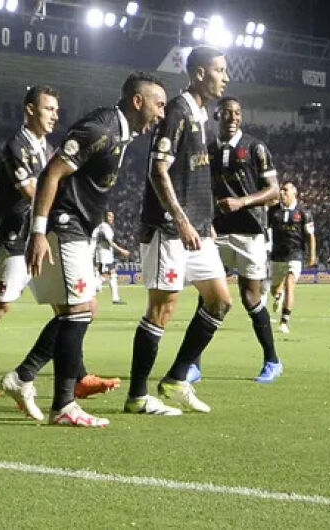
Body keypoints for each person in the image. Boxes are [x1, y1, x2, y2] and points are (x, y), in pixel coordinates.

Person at [21, 72, 166, 427]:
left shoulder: (121, 133)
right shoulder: (100, 129)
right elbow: (50, 175)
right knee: (78, 309)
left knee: (83, 308)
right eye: (158, 105)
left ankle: (25, 377)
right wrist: (39, 232)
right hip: (64, 223)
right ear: (138, 101)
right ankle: (63, 405)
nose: (161, 114)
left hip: (79, 229)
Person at [0, 86, 120, 409]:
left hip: (45, 237)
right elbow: (33, 191)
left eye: (56, 109)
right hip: (17, 240)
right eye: (48, 109)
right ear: (30, 110)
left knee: (76, 309)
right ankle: (39, 378)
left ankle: (73, 378)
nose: (55, 115)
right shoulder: (16, 146)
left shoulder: (46, 147)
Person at [126, 46, 231, 416]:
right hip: (169, 229)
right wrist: (183, 220)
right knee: (162, 309)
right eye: (220, 70)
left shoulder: (204, 115)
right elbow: (159, 170)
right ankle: (137, 395)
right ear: (199, 73)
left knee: (220, 302)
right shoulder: (177, 112)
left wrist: (204, 222)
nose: (226, 76)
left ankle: (175, 377)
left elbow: (195, 175)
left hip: (198, 231)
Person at [187, 96, 281, 384]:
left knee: (250, 297)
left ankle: (272, 360)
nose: (232, 117)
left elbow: (274, 191)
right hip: (216, 232)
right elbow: (199, 188)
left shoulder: (256, 148)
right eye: (227, 112)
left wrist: (242, 202)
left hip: (250, 232)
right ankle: (192, 364)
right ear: (217, 116)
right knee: (207, 297)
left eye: (237, 113)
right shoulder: (207, 150)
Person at [268, 181, 316, 334]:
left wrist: (312, 256)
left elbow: (310, 236)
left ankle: (284, 321)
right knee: (274, 289)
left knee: (290, 283)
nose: (282, 193)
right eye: (281, 190)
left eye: (285, 190)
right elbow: (265, 230)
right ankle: (278, 295)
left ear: (294, 193)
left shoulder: (303, 212)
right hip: (277, 255)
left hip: (295, 254)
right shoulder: (273, 211)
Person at [92, 211, 131, 304]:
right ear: (105, 217)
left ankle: (115, 298)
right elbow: (110, 242)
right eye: (110, 216)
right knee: (105, 276)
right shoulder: (105, 227)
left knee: (112, 275)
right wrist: (122, 250)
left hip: (105, 255)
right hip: (104, 255)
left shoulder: (100, 226)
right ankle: (91, 289)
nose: (112, 218)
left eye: (113, 216)